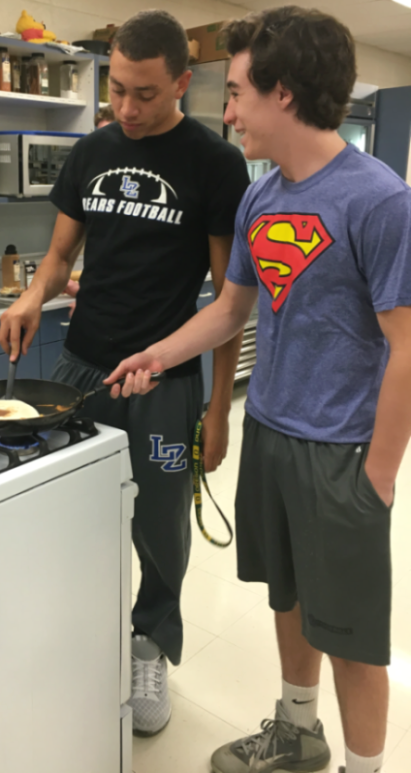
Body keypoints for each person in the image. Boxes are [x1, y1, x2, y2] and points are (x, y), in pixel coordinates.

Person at [104, 6, 411, 773]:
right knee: (288, 599)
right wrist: (157, 350)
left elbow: (409, 345)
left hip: (341, 453)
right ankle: (297, 733)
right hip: (271, 434)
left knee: (353, 637)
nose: (227, 109)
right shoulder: (261, 197)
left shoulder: (378, 201)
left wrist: (378, 473)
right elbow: (231, 310)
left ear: (284, 93)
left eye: (237, 91)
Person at [0, 9, 249, 737]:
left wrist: (217, 410)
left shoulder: (215, 163)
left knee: (161, 522)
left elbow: (231, 299)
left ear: (181, 81)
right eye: (118, 90)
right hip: (81, 365)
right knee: (69, 511)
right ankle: (77, 634)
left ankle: (150, 644)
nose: (128, 109)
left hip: (165, 382)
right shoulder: (93, 151)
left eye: (145, 94)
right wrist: (32, 294)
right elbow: (58, 258)